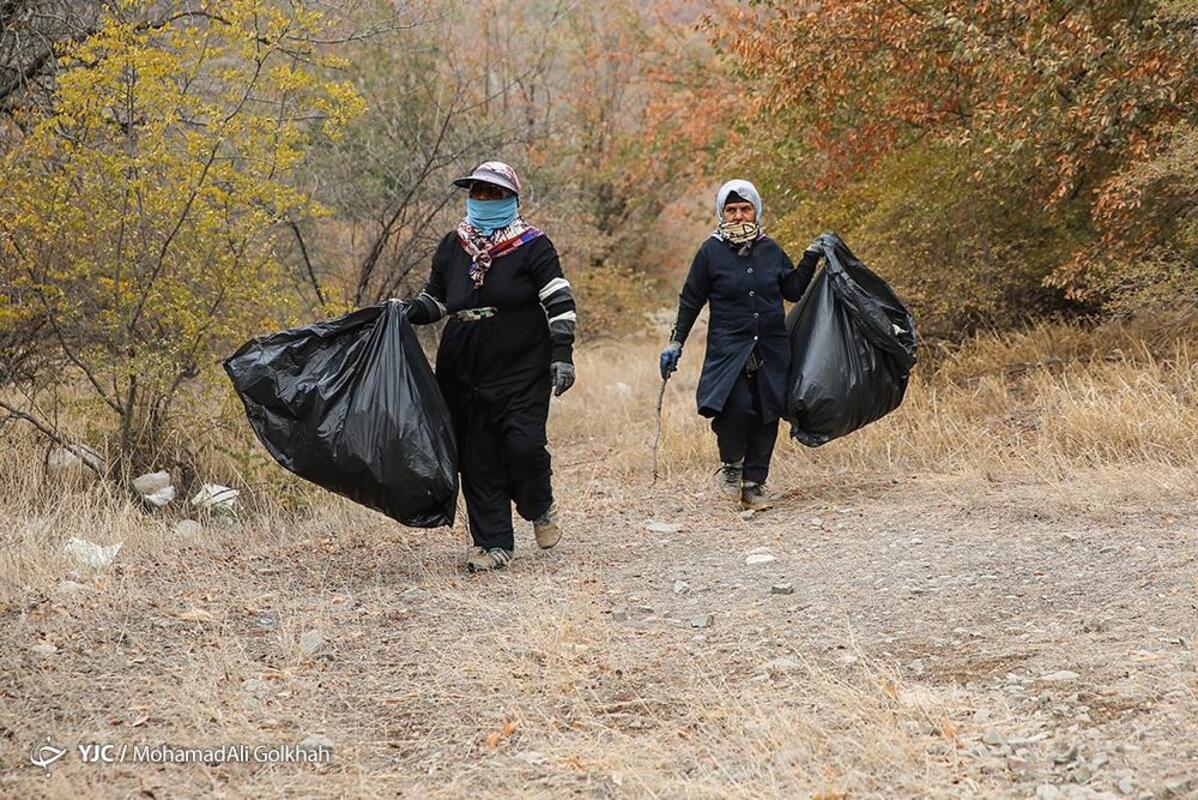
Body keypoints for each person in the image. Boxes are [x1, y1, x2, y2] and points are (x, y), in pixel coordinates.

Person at [404, 161, 577, 572]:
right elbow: (437, 300)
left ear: (512, 198)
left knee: (523, 445)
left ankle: (539, 504)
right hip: (462, 366)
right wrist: (403, 312)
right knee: (476, 455)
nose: (483, 200)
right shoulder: (453, 245)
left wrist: (563, 353)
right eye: (477, 192)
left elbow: (558, 300)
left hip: (522, 361)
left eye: (494, 193)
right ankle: (493, 543)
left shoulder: (534, 245)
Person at [659, 179, 821, 511]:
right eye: (730, 210)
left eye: (744, 208)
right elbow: (691, 300)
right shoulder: (710, 252)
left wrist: (811, 257)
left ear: (756, 211)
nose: (738, 215)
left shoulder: (771, 249)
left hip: (772, 348)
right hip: (729, 347)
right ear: (721, 213)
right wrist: (675, 342)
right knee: (736, 406)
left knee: (766, 411)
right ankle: (732, 463)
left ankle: (754, 486)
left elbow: (792, 290)